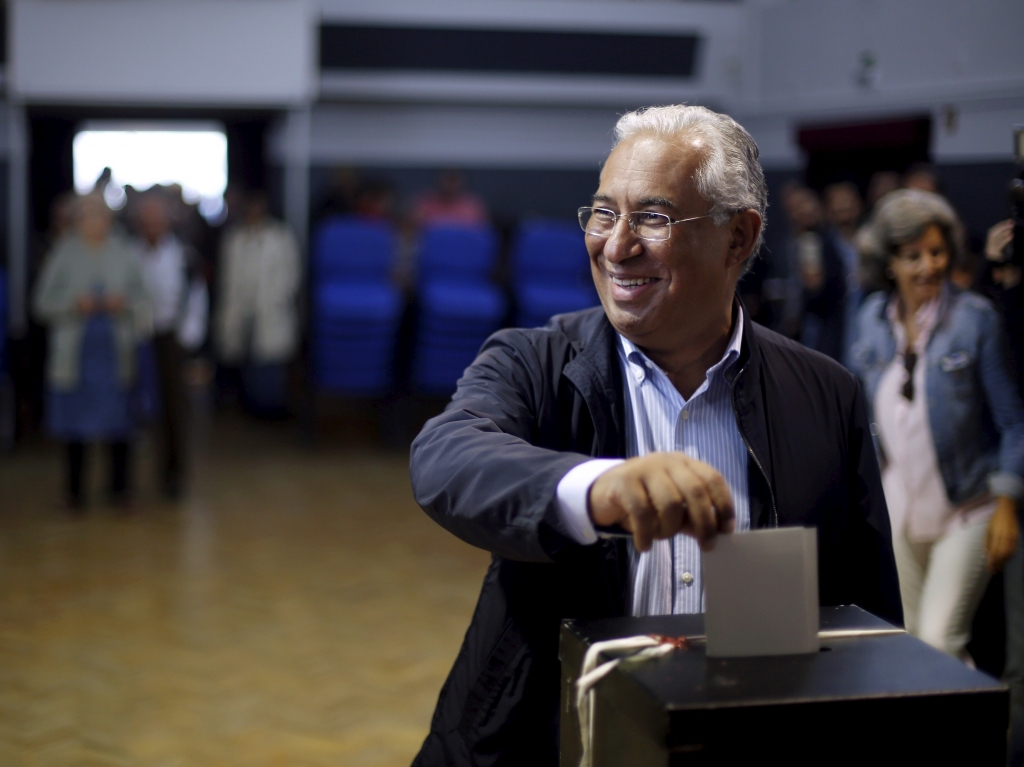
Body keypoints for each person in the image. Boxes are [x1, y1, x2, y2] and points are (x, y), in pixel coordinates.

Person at [410, 105, 901, 766]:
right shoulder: (533, 361)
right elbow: (445, 457)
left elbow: (868, 623)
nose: (615, 245)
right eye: (603, 213)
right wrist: (596, 487)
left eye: (653, 216)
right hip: (550, 744)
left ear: (738, 238)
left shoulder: (826, 395)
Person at [850, 189, 1024, 664]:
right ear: (889, 262)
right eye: (913, 256)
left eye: (937, 251)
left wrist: (1008, 501)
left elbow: (1013, 420)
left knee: (939, 641)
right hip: (900, 509)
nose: (928, 265)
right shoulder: (869, 321)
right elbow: (858, 414)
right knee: (907, 646)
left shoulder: (974, 320)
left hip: (967, 508)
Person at [33, 194, 152, 509]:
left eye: (100, 215)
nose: (94, 221)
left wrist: (122, 303)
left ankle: (120, 490)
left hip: (114, 353)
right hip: (76, 355)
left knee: (119, 424)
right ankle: (75, 494)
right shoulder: (64, 253)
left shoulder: (123, 252)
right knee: (75, 426)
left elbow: (143, 300)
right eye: (87, 216)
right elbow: (42, 303)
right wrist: (74, 304)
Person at [135, 191, 209, 499]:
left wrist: (188, 338)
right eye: (147, 221)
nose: (153, 226)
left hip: (171, 338)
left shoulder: (182, 255)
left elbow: (196, 298)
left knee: (175, 411)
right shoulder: (131, 254)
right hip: (139, 337)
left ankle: (173, 478)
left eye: (157, 220)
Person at [215, 191, 299, 415]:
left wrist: (279, 297)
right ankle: (251, 407)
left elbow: (291, 275)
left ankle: (271, 409)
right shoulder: (235, 239)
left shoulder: (280, 237)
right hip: (242, 308)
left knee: (270, 362)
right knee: (246, 358)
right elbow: (227, 279)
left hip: (271, 309)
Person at [824, 182, 866, 366]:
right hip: (835, 327)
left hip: (866, 319)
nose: (844, 207)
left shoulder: (870, 242)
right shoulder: (821, 245)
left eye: (848, 201)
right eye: (838, 202)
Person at [411, 169, 488, 228]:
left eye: (454, 181)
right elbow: (412, 230)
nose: (450, 185)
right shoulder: (426, 203)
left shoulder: (472, 206)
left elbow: (483, 234)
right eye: (448, 180)